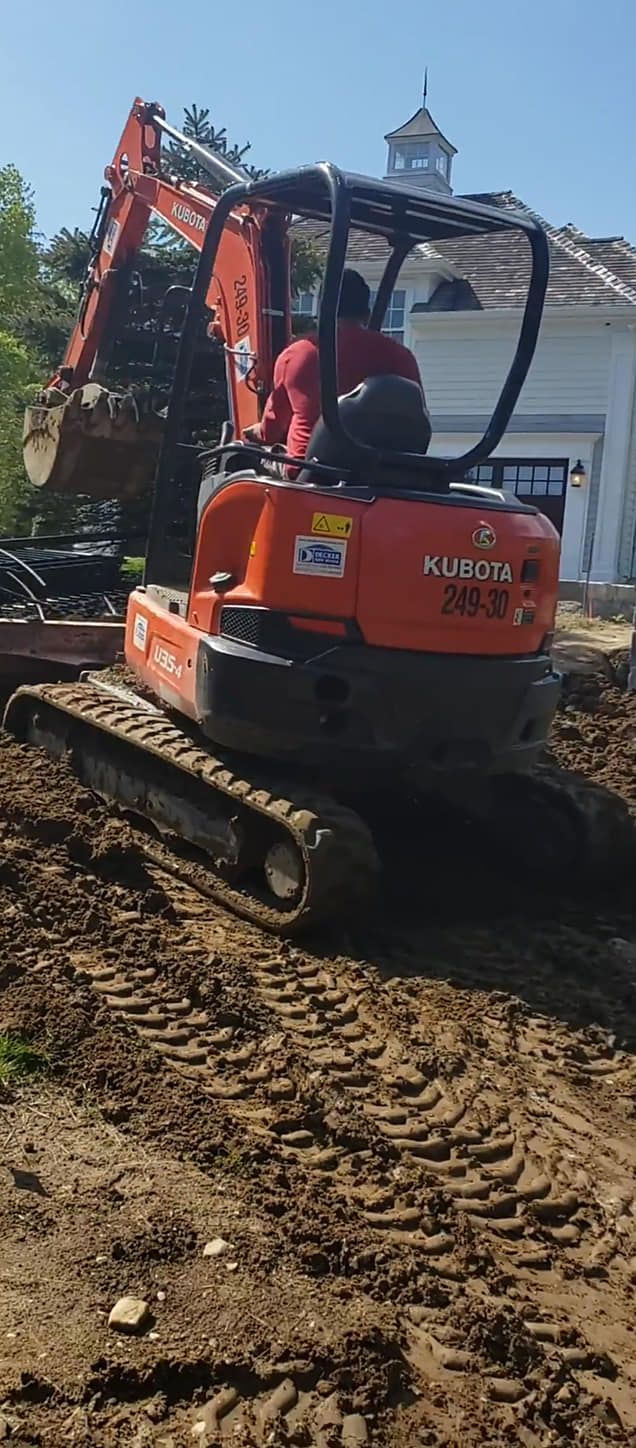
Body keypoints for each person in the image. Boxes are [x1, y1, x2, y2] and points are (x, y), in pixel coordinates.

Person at [244, 269, 425, 463]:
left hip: (313, 475)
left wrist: (250, 433)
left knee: (236, 460)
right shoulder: (401, 357)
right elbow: (417, 424)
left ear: (321, 312)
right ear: (367, 314)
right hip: (388, 475)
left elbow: (272, 430)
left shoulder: (297, 355)